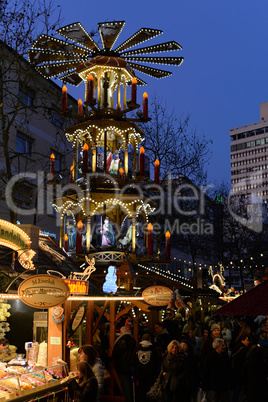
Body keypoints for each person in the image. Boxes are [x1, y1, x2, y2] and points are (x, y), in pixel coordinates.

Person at [112, 326, 136, 402]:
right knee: (131, 386)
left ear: (121, 333)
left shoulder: (119, 342)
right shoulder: (133, 340)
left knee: (125, 387)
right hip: (131, 367)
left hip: (122, 367)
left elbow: (114, 354)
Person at [135, 333, 159, 402]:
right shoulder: (153, 349)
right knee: (149, 389)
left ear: (142, 339)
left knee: (141, 389)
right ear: (150, 340)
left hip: (139, 373)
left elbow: (134, 361)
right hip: (150, 373)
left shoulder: (137, 349)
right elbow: (156, 361)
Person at [231, 335, 250, 402]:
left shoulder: (237, 348)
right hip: (239, 373)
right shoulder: (242, 349)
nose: (248, 342)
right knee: (238, 389)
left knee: (237, 389)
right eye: (247, 340)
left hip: (236, 372)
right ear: (242, 341)